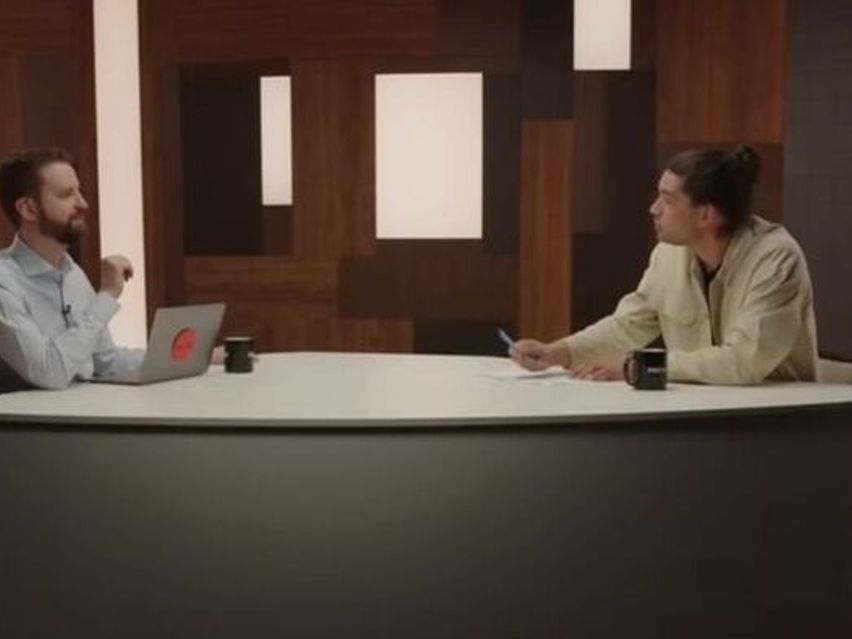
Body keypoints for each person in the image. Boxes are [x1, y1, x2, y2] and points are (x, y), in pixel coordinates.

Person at [511, 145, 818, 385]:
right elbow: (628, 324)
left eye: (667, 200)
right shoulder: (669, 253)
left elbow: (744, 361)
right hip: (696, 411)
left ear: (705, 215)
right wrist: (558, 352)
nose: (653, 209)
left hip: (774, 422)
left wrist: (637, 366)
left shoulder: (776, 259)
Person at [0, 147, 144, 391]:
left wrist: (183, 358)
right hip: (33, 416)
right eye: (66, 195)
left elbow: (105, 362)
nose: (83, 204)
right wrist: (107, 295)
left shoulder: (72, 273)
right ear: (28, 209)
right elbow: (50, 372)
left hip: (84, 408)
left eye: (79, 192)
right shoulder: (5, 281)